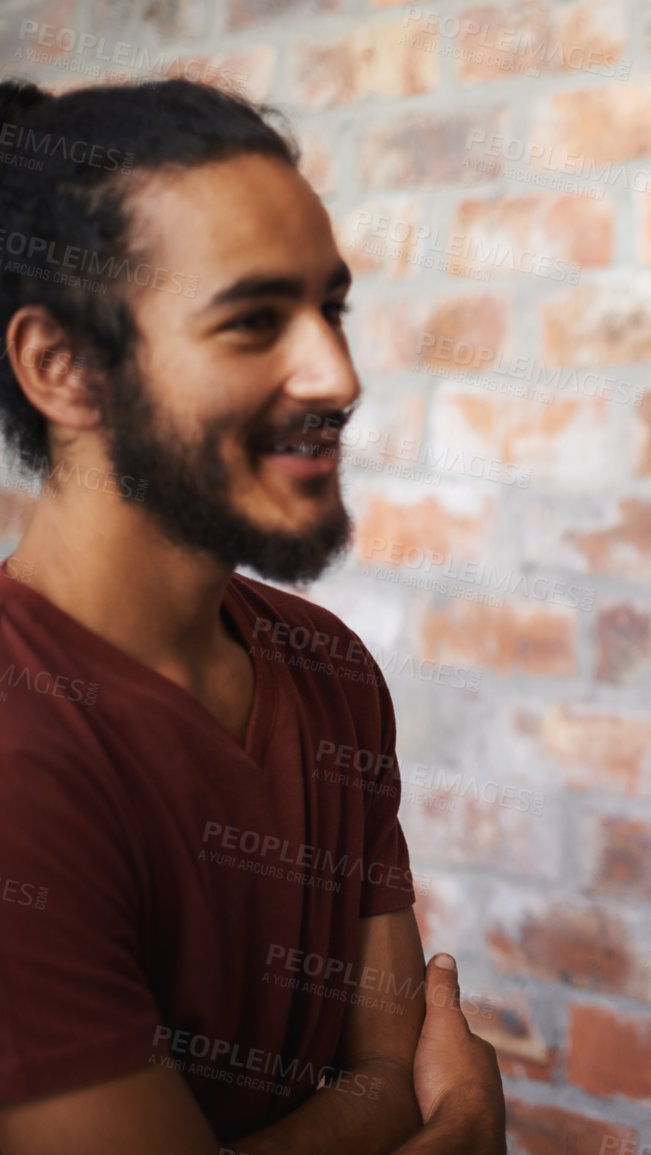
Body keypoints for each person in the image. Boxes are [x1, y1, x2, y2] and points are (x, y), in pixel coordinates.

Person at [0, 79, 503, 1153]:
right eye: (251, 321)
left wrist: (422, 1104)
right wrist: (461, 1123)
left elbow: (388, 1068)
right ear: (62, 368)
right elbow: (416, 1092)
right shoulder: (18, 746)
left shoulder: (328, 667)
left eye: (332, 308)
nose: (339, 374)